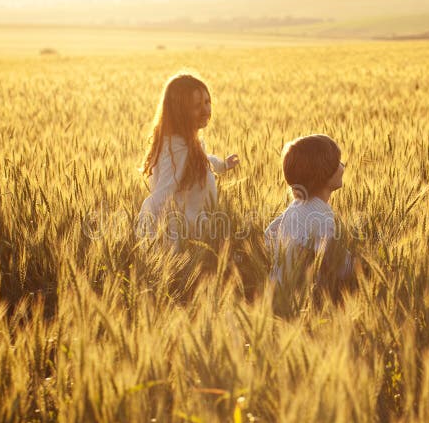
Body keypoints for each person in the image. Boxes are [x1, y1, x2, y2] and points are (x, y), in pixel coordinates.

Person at [137, 73, 239, 241]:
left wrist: (222, 165)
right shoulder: (178, 149)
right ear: (180, 112)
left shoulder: (186, 142)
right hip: (184, 236)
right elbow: (163, 193)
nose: (206, 110)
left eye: (207, 102)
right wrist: (148, 227)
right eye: (197, 106)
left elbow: (201, 159)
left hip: (196, 228)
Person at [264, 134, 354, 288]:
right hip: (300, 300)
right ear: (324, 172)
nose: (343, 165)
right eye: (337, 162)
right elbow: (344, 268)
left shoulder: (296, 207)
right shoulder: (319, 218)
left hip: (278, 291)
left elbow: (269, 233)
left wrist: (286, 256)